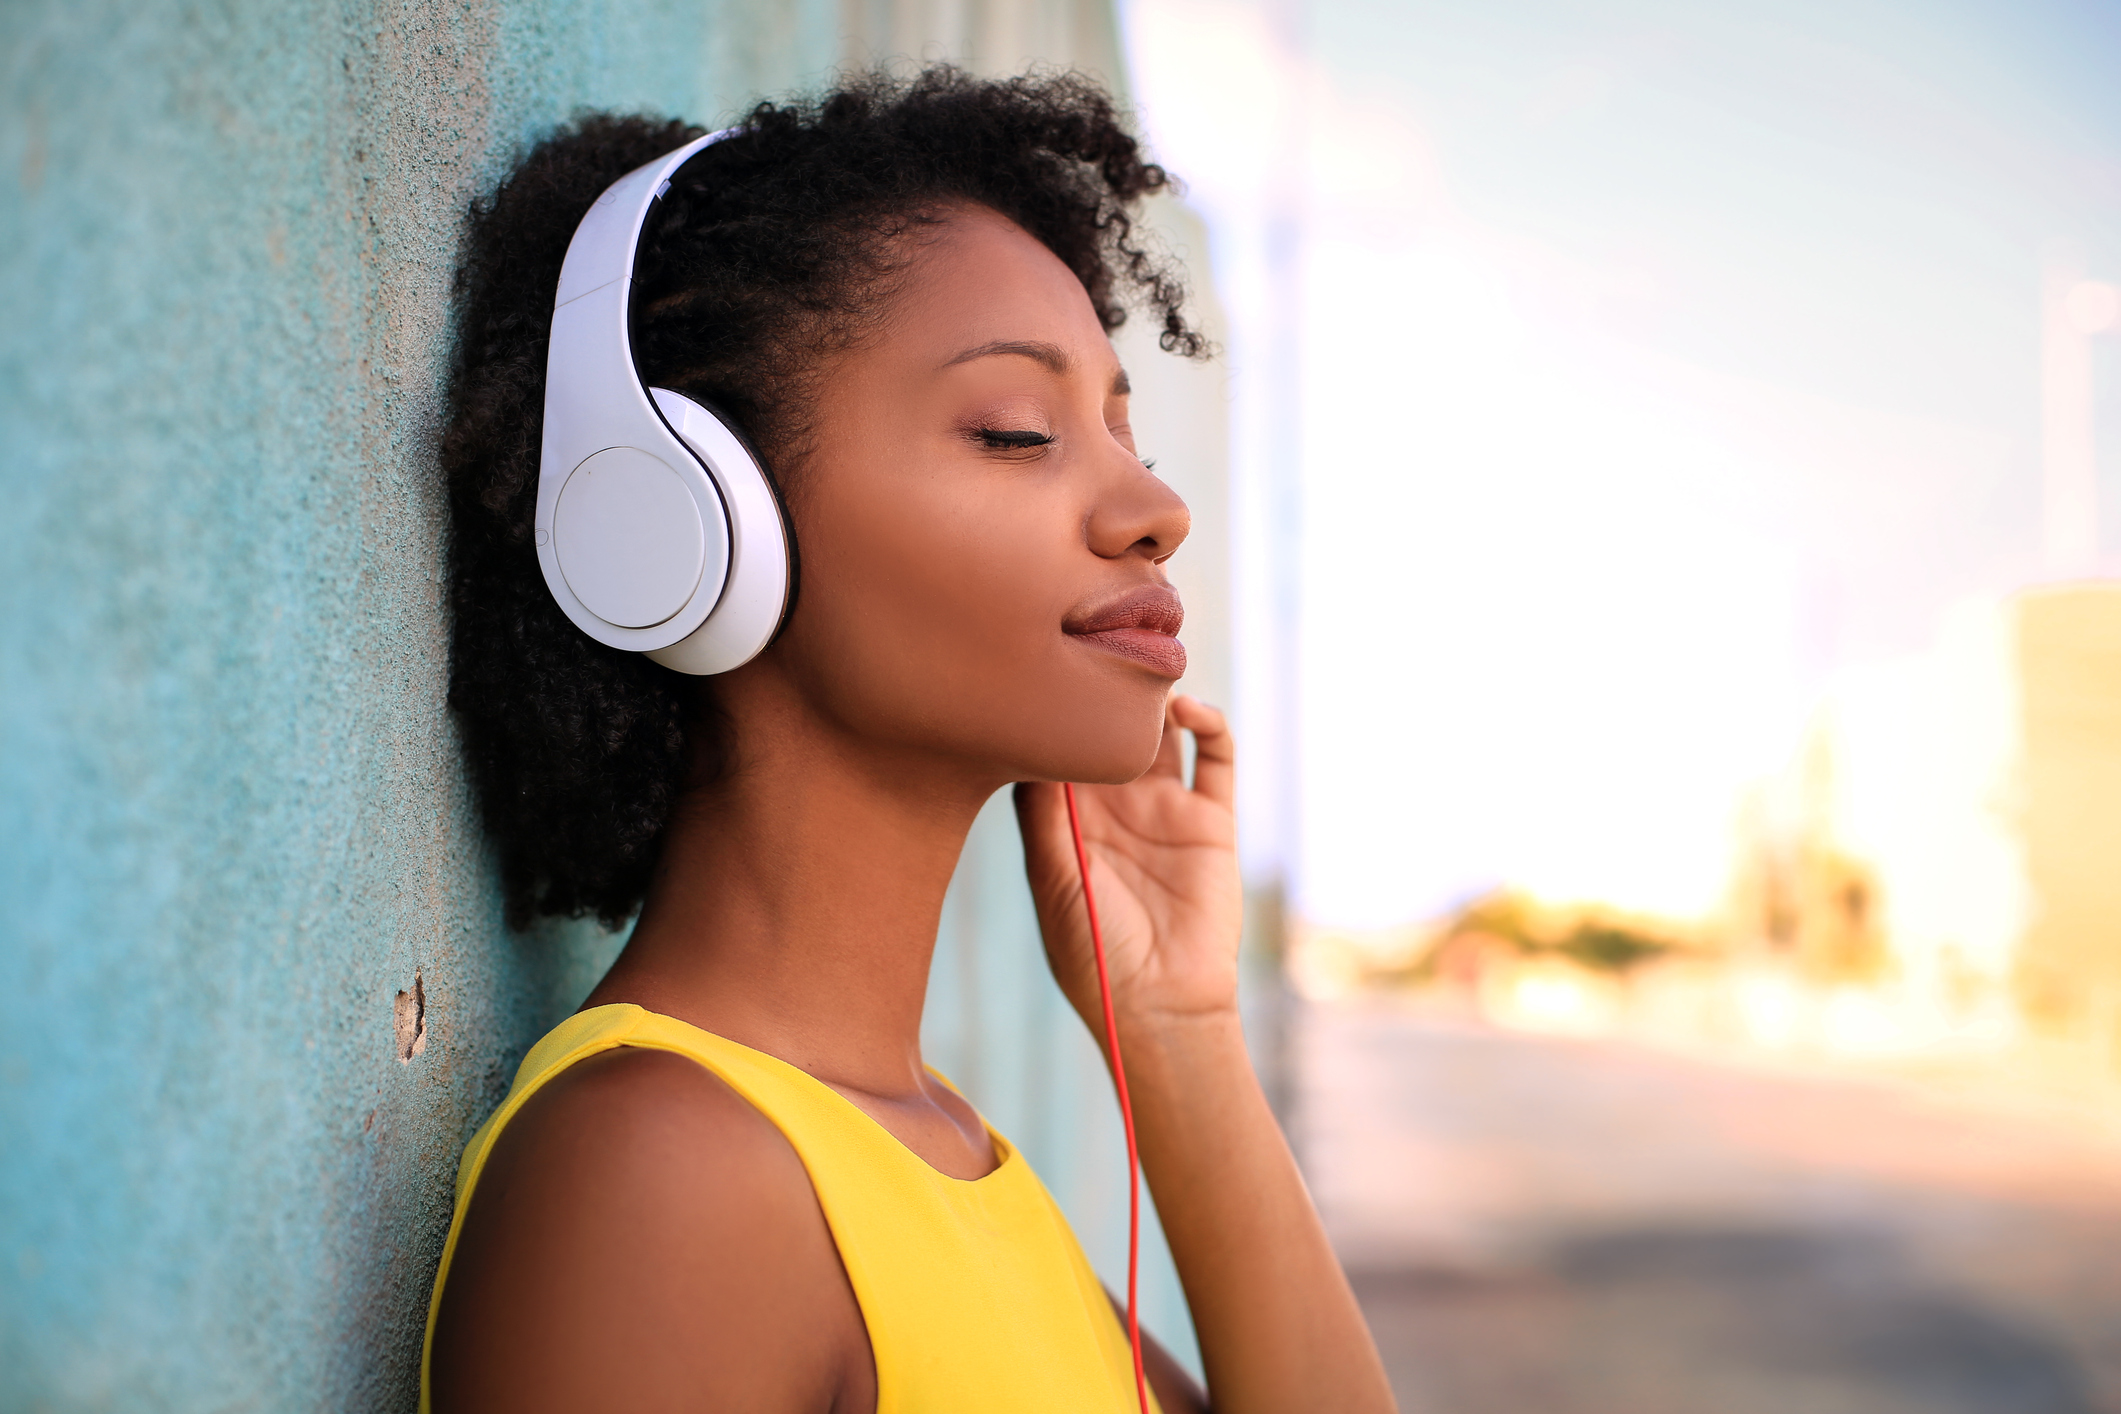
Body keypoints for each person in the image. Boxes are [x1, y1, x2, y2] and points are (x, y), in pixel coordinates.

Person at [423, 66, 1393, 1414]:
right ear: (682, 520)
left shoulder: (941, 1154)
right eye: (1016, 431)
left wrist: (1177, 1025)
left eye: (1125, 431)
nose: (1152, 506)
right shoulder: (666, 1174)